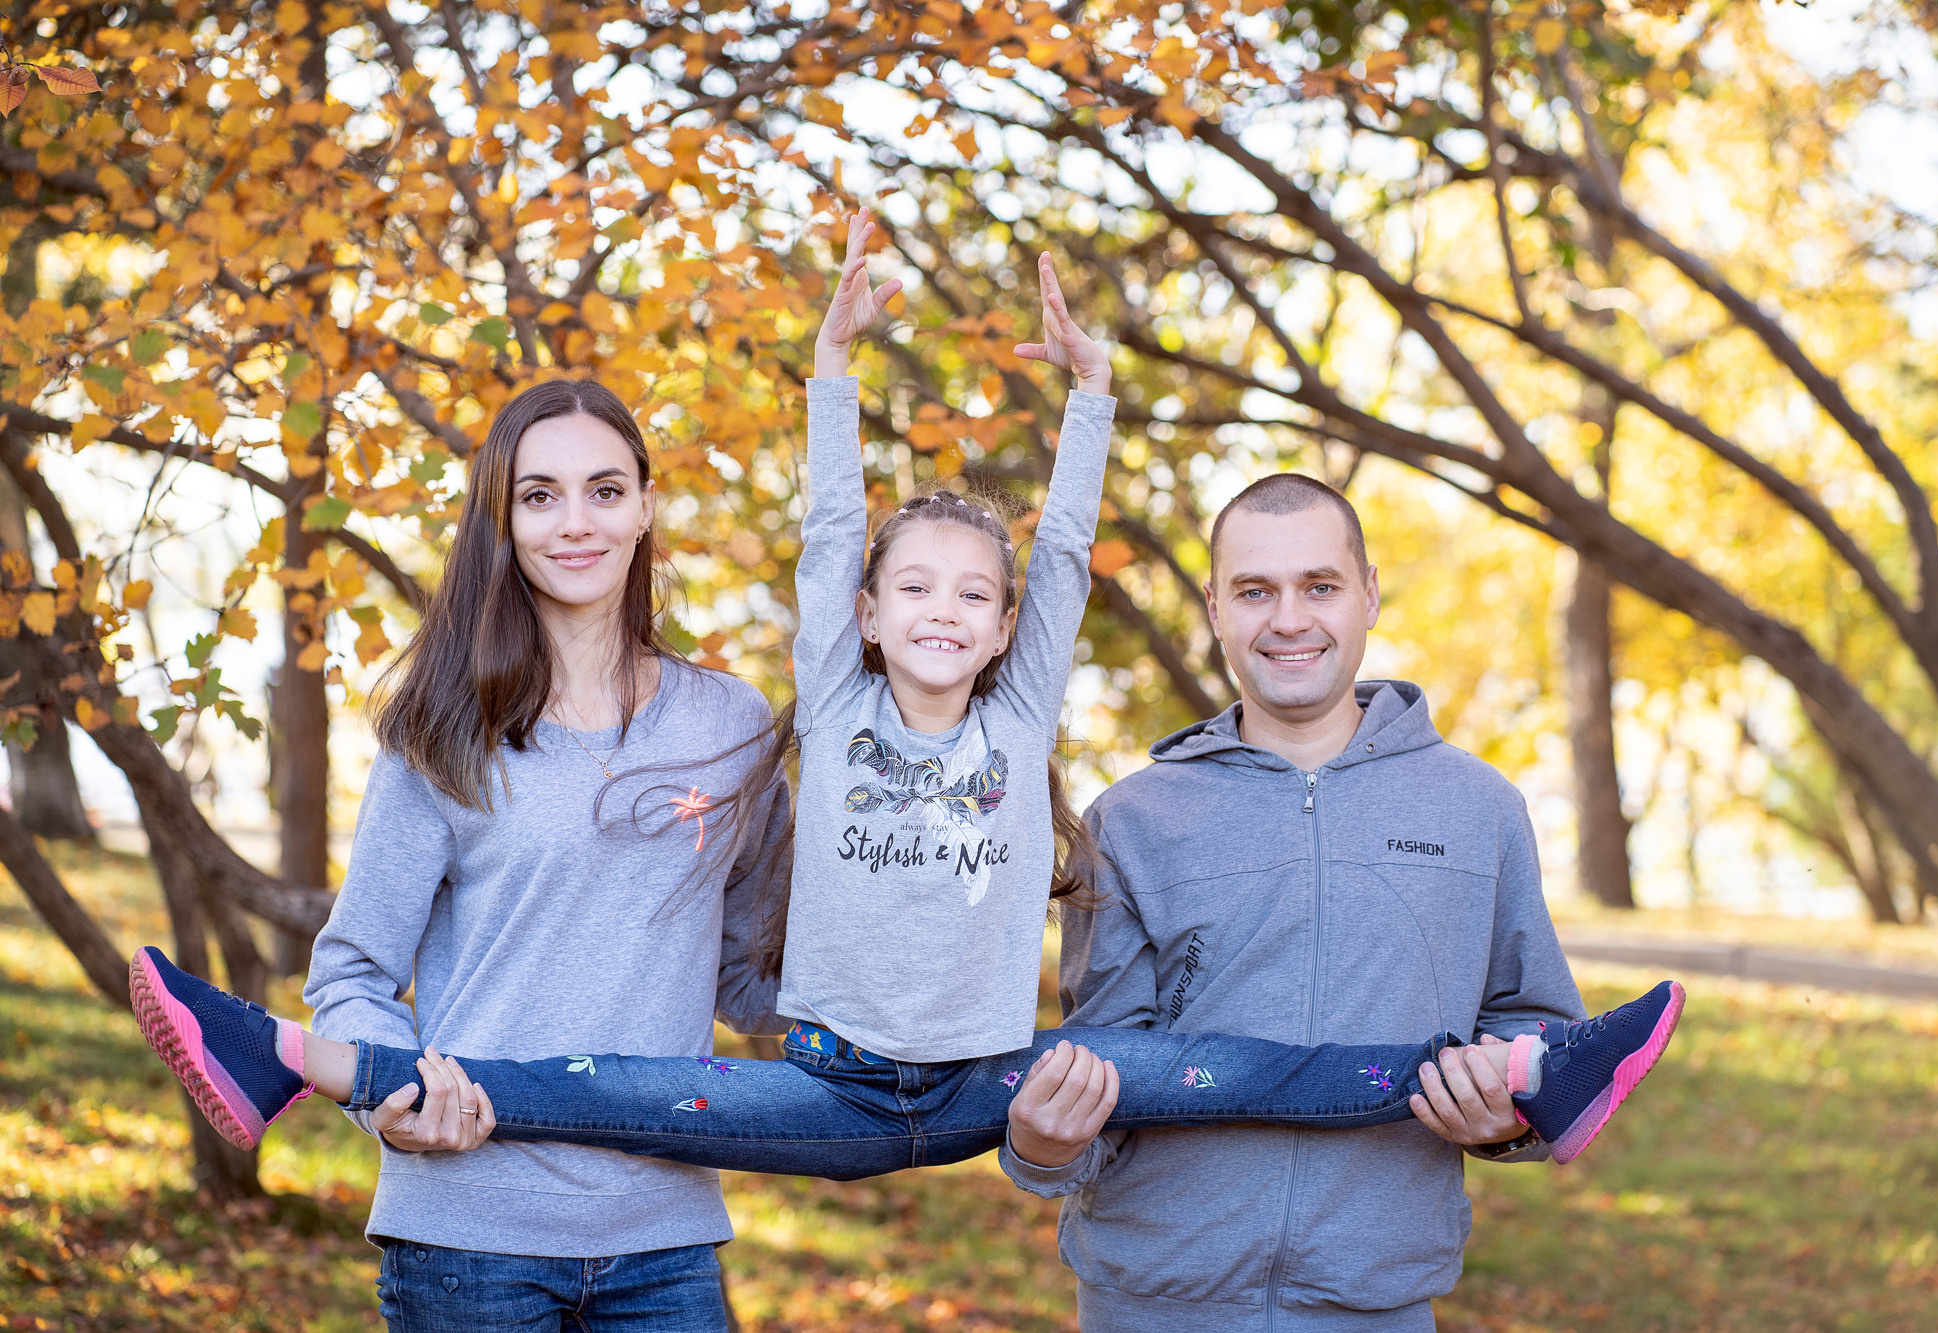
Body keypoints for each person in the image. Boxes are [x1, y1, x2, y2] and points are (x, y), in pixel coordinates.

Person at [129, 217, 1680, 1209]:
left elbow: (1064, 548)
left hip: (992, 1081)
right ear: (867, 615)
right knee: (575, 1084)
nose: (943, 613)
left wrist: (1094, 399)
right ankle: (278, 1055)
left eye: (974, 598)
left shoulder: (1018, 725)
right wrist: (829, 365)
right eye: (910, 590)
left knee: (1246, 1059)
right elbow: (827, 526)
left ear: (1010, 631)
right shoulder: (832, 698)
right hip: (829, 1081)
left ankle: (1543, 1072)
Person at [139, 373, 794, 1329]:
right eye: (541, 494)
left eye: (605, 490)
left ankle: (269, 1055)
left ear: (646, 508)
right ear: (503, 516)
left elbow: (757, 977)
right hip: (468, 1236)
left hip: (665, 1237)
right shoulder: (445, 728)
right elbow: (355, 966)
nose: (577, 521)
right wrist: (389, 1103)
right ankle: (283, 1056)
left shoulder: (729, 725)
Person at [997, 472, 1622, 1332]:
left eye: (1319, 586)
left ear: (1368, 594)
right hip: (1153, 1297)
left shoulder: (1478, 808)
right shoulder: (1132, 820)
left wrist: (1503, 1121)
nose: (1289, 619)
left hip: (1375, 1298)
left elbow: (1537, 1029)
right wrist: (1042, 1148)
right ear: (1215, 606)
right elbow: (1100, 1074)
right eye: (1255, 591)